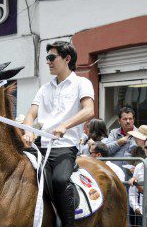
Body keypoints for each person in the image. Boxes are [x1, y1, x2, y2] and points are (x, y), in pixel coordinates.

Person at [22, 41, 94, 227]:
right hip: (40, 146)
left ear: (67, 58)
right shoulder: (44, 88)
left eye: (51, 57)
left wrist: (65, 125)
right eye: (47, 58)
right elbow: (30, 114)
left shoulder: (82, 83)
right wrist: (28, 131)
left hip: (65, 147)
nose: (48, 62)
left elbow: (89, 111)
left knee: (60, 180)